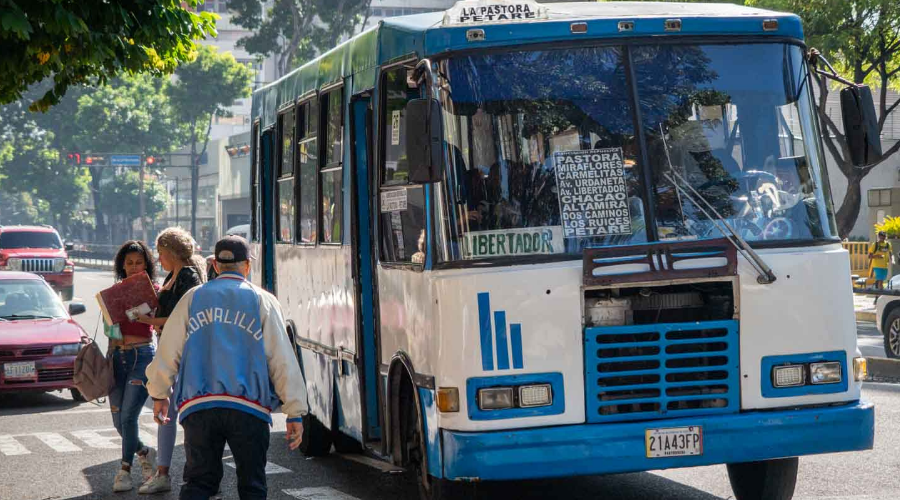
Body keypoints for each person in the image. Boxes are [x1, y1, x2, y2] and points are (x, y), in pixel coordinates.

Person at [145, 235, 308, 500]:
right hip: (249, 408)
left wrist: (159, 394)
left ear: (216, 266)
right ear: (247, 266)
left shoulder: (193, 298)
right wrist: (294, 412)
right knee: (252, 485)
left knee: (198, 483)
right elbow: (282, 359)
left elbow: (167, 351)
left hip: (199, 406)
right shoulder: (262, 300)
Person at [135, 227, 206, 494]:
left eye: (161, 253)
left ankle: (174, 473)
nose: (159, 258)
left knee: (174, 409)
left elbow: (184, 317)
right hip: (169, 346)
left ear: (170, 252)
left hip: (184, 350)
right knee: (167, 408)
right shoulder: (174, 274)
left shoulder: (188, 276)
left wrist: (149, 321)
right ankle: (167, 472)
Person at [108, 241, 158, 492]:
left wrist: (135, 314)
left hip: (142, 356)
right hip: (118, 358)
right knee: (119, 422)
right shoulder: (114, 291)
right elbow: (111, 330)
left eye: (139, 262)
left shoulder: (155, 291)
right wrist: (112, 330)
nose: (134, 267)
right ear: (122, 265)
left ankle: (124, 470)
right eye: (129, 263)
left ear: (147, 264)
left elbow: (154, 322)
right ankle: (145, 452)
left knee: (129, 416)